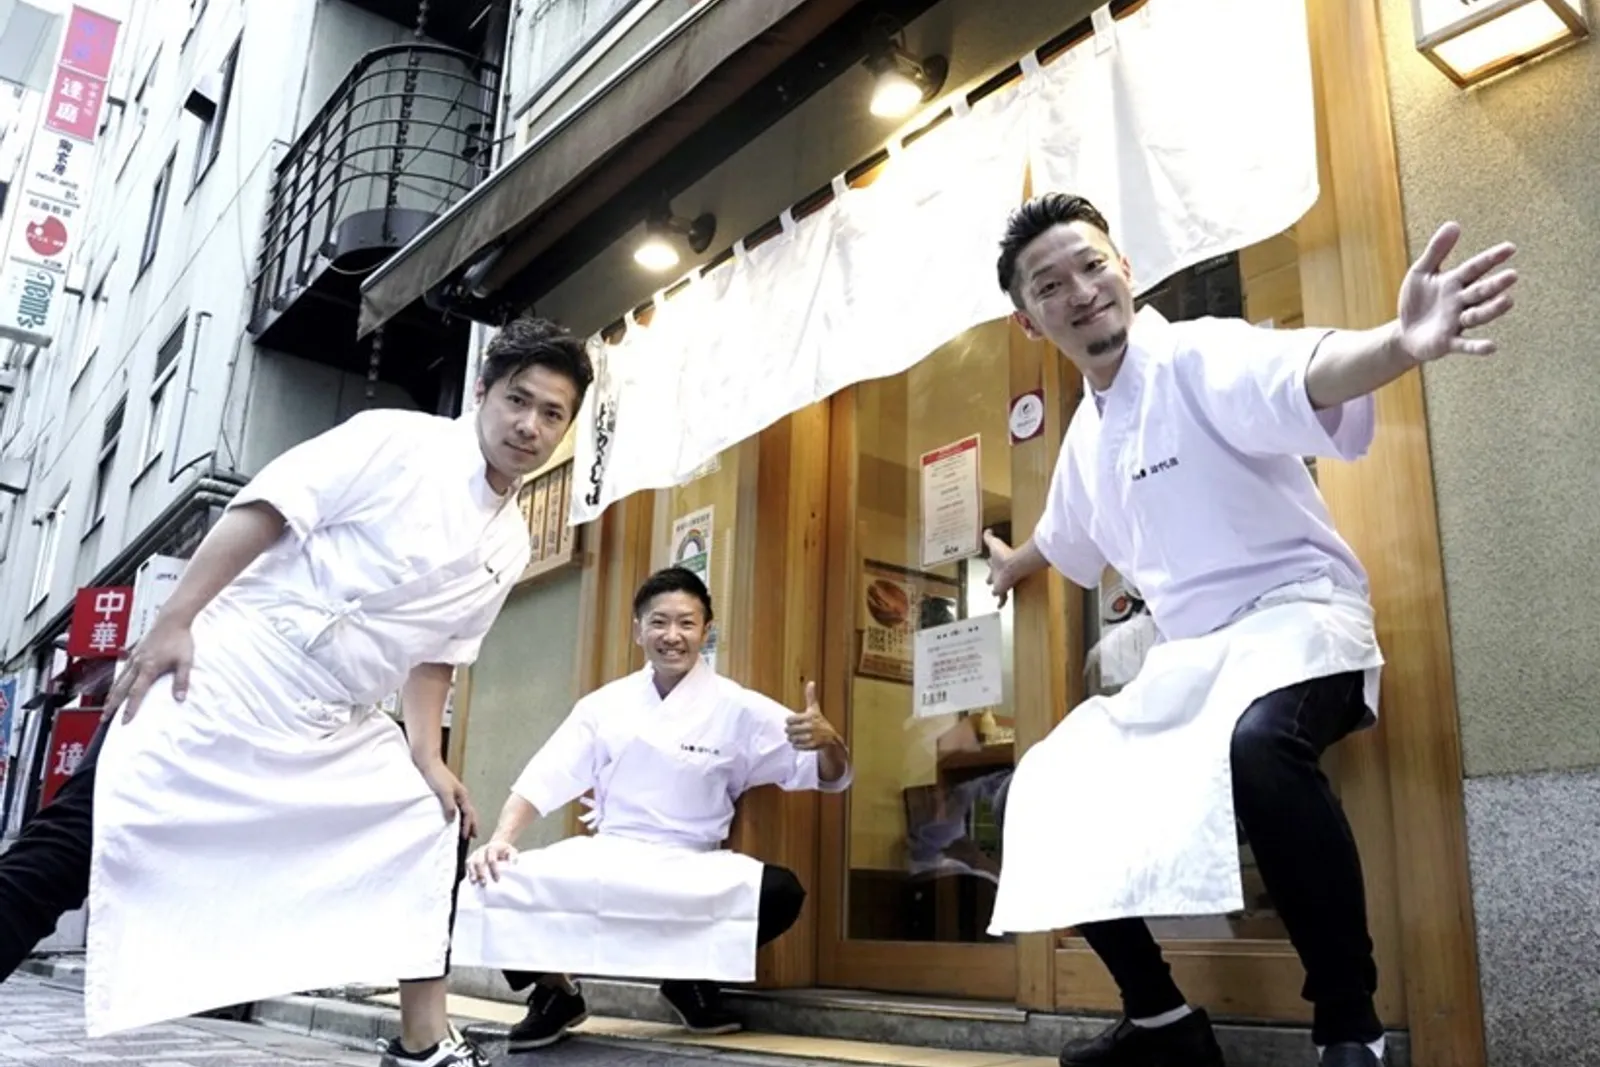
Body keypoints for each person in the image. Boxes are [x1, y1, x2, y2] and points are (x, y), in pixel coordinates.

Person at [979, 194, 1516, 1067]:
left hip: (1301, 622)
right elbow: (1064, 532)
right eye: (1050, 284)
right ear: (1030, 319)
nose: (1079, 290)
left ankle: (1350, 1024)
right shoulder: (1084, 439)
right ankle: (1160, 1021)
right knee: (1042, 783)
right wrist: (1016, 566)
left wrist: (1400, 343)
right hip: (1191, 664)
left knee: (1262, 743)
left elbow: (1305, 369)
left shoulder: (1198, 353)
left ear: (1124, 269)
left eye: (1090, 265)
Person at [0, 314, 593, 1067]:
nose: (529, 425)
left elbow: (436, 654)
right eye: (518, 399)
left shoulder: (509, 541)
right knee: (72, 848)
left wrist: (426, 754)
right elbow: (268, 505)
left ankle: (422, 1042)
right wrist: (178, 618)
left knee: (430, 818)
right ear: (481, 391)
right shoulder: (396, 439)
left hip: (332, 717)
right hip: (234, 669)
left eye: (552, 413)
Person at [448, 566, 852, 1052]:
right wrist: (502, 839)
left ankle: (689, 981)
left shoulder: (737, 707)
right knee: (491, 877)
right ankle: (555, 992)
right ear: (637, 628)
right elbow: (545, 776)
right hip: (612, 852)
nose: (672, 636)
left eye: (686, 622)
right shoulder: (605, 705)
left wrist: (830, 743)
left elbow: (826, 775)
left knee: (782, 890)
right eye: (659, 622)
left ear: (707, 629)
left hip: (692, 861)